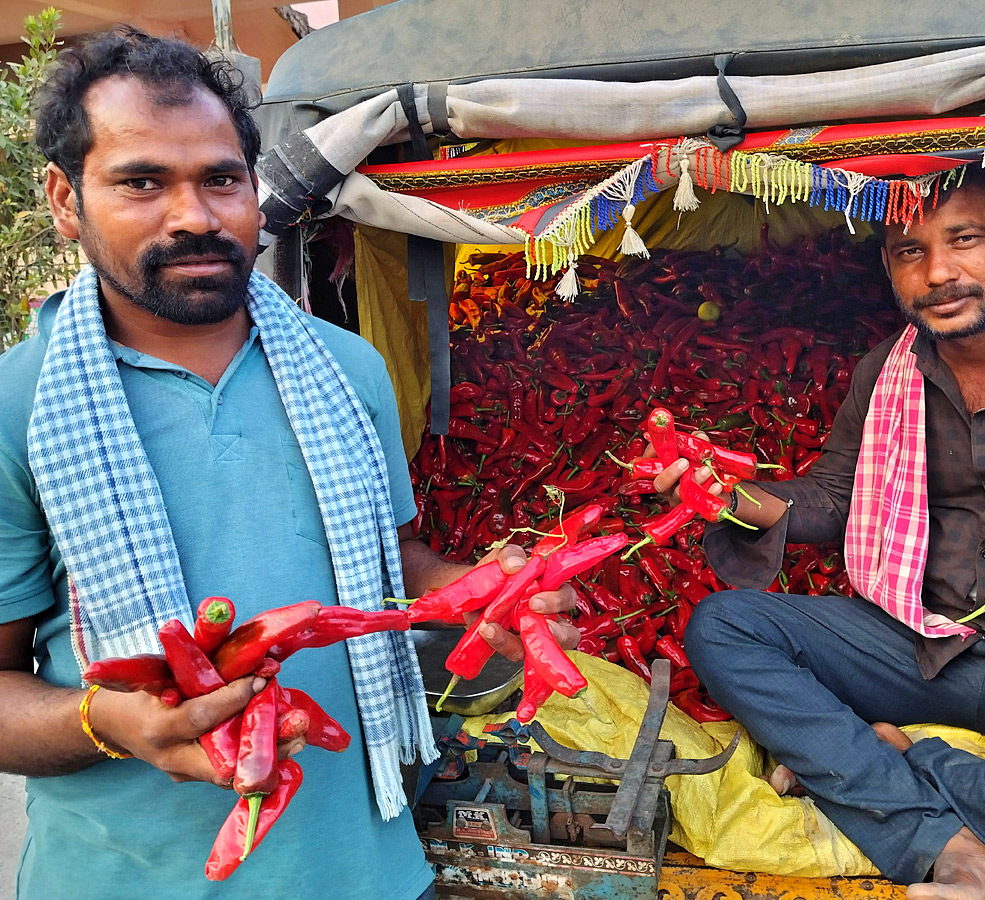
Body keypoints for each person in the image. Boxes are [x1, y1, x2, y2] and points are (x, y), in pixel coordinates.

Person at [0, 27, 576, 900]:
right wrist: (113, 721)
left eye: (221, 179)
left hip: (368, 870)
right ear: (65, 199)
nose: (195, 215)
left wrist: (489, 598)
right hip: (121, 880)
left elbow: (398, 569)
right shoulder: (21, 406)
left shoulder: (347, 371)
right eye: (143, 181)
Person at [656, 165, 985, 900]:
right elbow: (832, 496)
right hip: (911, 643)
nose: (939, 273)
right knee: (727, 626)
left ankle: (911, 771)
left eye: (964, 240)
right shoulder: (886, 372)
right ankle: (953, 842)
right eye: (910, 251)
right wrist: (734, 497)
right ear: (889, 265)